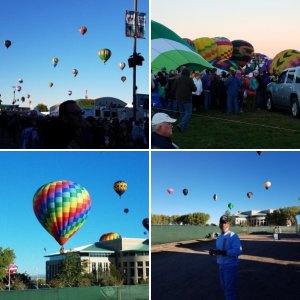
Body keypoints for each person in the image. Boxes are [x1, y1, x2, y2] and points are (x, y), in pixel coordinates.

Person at [209, 215, 242, 300]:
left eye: (225, 223)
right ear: (219, 224)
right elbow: (219, 250)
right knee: (224, 287)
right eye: (221, 223)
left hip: (230, 266)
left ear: (228, 224)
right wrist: (214, 252)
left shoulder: (233, 236)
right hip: (221, 266)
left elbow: (238, 251)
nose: (223, 225)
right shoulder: (219, 237)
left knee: (229, 289)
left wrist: (224, 252)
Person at [172, 67, 196, 131]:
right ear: (188, 73)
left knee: (182, 113)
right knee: (188, 113)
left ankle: (183, 127)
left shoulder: (177, 79)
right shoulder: (189, 79)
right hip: (187, 98)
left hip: (179, 98)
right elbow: (194, 89)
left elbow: (173, 88)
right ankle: (181, 125)